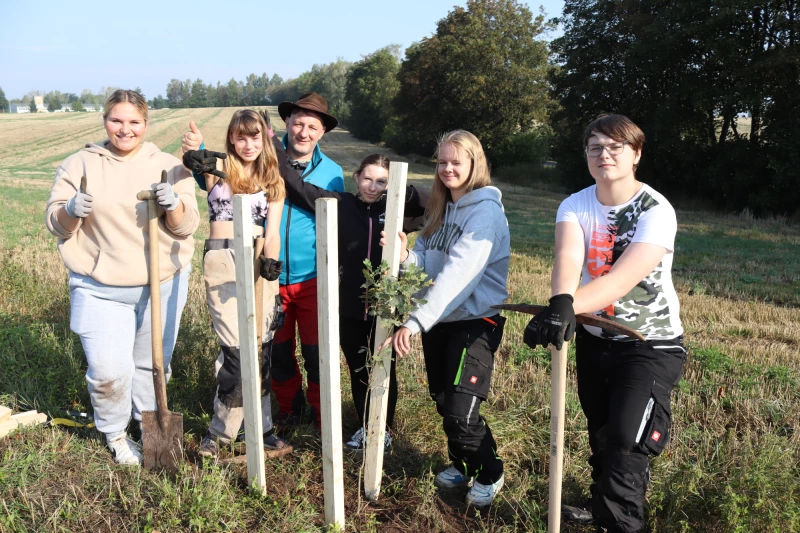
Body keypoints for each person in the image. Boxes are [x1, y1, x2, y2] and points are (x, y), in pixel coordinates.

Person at [524, 114, 685, 532]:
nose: (603, 154)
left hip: (649, 343)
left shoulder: (655, 209)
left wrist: (561, 308)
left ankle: (621, 525)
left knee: (627, 440)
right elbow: (567, 259)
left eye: (615, 146)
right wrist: (561, 303)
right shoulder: (575, 204)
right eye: (595, 147)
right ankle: (602, 508)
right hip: (597, 339)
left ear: (636, 154)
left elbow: (621, 280)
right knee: (601, 434)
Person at [45, 89, 199, 465]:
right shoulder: (80, 163)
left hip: (160, 284)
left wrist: (174, 204)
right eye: (117, 120)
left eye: (134, 122)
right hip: (98, 287)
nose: (125, 129)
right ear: (104, 121)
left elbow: (188, 226)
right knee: (109, 370)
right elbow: (56, 224)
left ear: (146, 124)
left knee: (152, 366)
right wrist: (69, 209)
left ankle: (153, 435)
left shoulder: (167, 164)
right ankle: (114, 433)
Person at [182, 93, 344, 429]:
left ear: (322, 132)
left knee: (317, 355)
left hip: (310, 276)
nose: (304, 132)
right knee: (276, 354)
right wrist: (195, 155)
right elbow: (215, 177)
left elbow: (333, 217)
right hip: (264, 275)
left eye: (312, 127)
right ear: (286, 123)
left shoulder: (332, 173)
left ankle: (321, 416)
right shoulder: (268, 159)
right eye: (298, 123)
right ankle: (286, 411)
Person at [382, 130, 510, 507]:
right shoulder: (439, 210)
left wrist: (414, 321)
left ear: (475, 164)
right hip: (440, 320)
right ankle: (464, 464)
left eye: (457, 162)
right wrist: (406, 257)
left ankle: (490, 472)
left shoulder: (485, 212)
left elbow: (458, 276)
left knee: (461, 410)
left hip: (475, 322)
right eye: (442, 162)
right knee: (443, 401)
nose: (448, 169)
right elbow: (428, 264)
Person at [273, 145, 428, 449]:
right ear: (356, 178)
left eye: (381, 181)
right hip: (349, 308)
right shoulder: (340, 204)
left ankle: (384, 431)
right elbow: (298, 187)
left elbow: (434, 203)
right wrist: (275, 150)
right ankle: (365, 426)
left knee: (385, 369)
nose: (373, 187)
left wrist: (402, 190)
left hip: (386, 306)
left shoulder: (397, 211)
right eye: (367, 179)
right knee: (358, 369)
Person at [183, 110, 290, 457]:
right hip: (222, 261)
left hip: (260, 261)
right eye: (241, 137)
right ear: (231, 138)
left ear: (265, 138)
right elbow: (191, 165)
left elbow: (272, 232)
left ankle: (263, 428)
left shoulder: (274, 180)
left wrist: (271, 261)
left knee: (261, 350)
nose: (248, 144)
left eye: (255, 137)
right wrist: (193, 152)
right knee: (235, 352)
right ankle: (219, 435)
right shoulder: (219, 170)